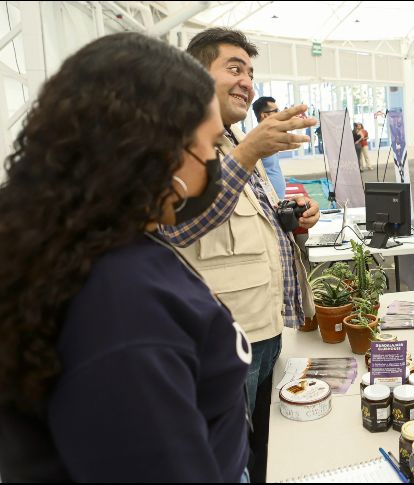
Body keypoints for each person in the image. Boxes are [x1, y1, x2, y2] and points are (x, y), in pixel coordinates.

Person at [0, 33, 251, 482]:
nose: (215, 161)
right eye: (212, 146)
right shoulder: (122, 310)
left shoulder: (92, 242)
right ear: (159, 150)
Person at [157, 27, 319, 483]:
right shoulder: (173, 144)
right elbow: (179, 224)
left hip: (266, 329)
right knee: (225, 463)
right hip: (224, 342)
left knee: (262, 450)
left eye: (250, 71)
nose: (247, 81)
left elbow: (256, 222)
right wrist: (250, 151)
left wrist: (295, 219)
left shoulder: (233, 143)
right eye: (234, 68)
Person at [252, 96, 286, 198]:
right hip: (268, 198)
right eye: (276, 111)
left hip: (277, 196)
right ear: (265, 115)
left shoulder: (270, 136)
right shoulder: (257, 139)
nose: (279, 113)